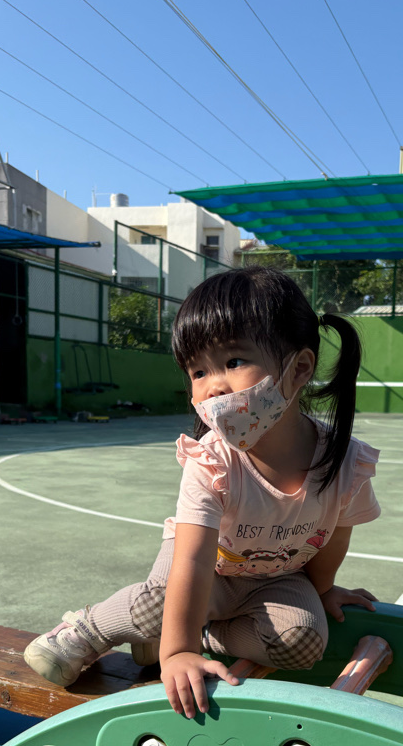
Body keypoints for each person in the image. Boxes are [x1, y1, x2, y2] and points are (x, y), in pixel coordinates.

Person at [24, 266, 381, 718]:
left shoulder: (346, 461)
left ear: (300, 368)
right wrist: (177, 654)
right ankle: (90, 628)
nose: (213, 385)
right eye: (197, 371)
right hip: (207, 568)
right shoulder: (212, 460)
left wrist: (323, 589)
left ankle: (193, 631)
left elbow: (337, 534)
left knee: (304, 642)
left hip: (278, 576)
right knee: (159, 602)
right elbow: (191, 561)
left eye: (233, 362)